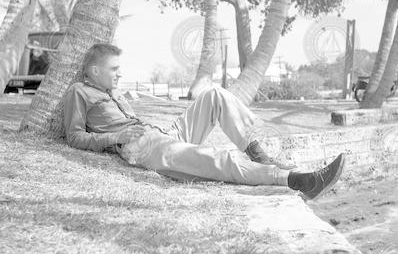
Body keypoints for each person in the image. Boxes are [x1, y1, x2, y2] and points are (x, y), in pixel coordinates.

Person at [63, 43, 345, 201]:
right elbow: (74, 137)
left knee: (215, 95)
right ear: (95, 70)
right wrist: (113, 139)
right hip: (143, 147)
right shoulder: (79, 92)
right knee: (217, 159)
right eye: (114, 69)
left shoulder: (112, 92)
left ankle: (259, 155)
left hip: (162, 134)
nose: (119, 74)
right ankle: (299, 181)